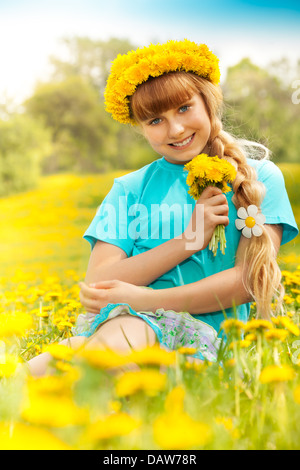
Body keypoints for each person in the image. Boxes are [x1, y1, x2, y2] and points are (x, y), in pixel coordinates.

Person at [27, 39, 298, 376]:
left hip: (214, 341)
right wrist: (187, 241)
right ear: (140, 129)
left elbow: (249, 280)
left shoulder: (259, 177)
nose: (176, 129)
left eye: (184, 108)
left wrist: (144, 300)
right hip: (130, 328)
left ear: (208, 102)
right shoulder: (129, 190)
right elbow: (100, 283)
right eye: (155, 121)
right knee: (41, 374)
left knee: (84, 363)